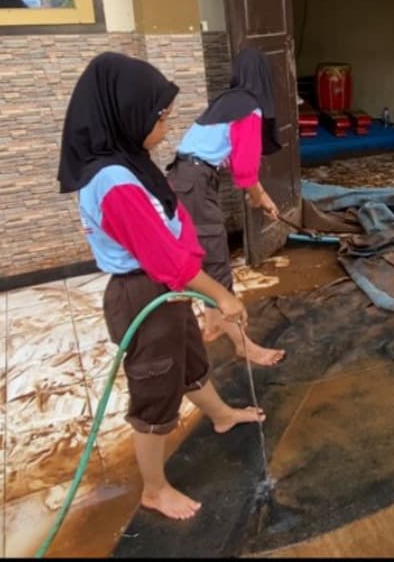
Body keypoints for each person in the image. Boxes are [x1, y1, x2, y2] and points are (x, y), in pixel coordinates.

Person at [57, 51, 263, 520]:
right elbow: (163, 257)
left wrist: (201, 291)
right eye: (161, 117)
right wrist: (221, 295)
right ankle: (154, 488)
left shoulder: (132, 163)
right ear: (128, 114)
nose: (167, 127)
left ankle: (221, 415)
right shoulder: (112, 182)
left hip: (163, 289)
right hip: (141, 295)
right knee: (155, 393)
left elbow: (176, 220)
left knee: (189, 361)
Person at [168, 47, 287, 366]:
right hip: (194, 182)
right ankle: (243, 344)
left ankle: (212, 321)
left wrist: (258, 195)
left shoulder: (227, 101)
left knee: (202, 251)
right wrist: (259, 196)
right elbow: (245, 167)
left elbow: (235, 160)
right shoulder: (250, 107)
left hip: (184, 179)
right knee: (216, 257)